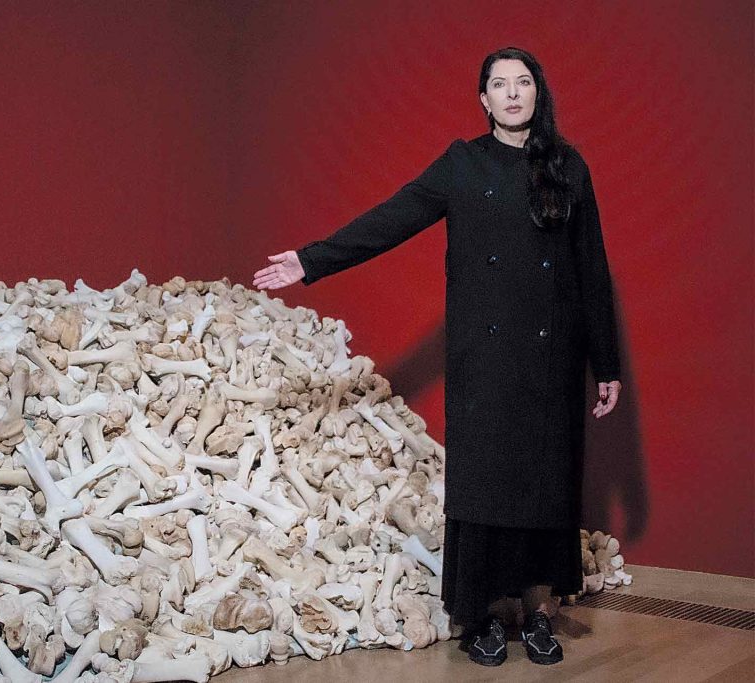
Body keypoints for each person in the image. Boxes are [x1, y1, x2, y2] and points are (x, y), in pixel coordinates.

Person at [252, 46, 623, 667]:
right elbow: (393, 218)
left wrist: (605, 362)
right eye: (499, 84)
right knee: (485, 490)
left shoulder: (567, 167)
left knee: (545, 488)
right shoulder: (462, 164)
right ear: (483, 100)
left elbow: (592, 267)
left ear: (538, 93)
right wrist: (311, 261)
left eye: (523, 82)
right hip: (484, 358)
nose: (512, 93)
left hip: (551, 359)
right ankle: (480, 617)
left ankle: (538, 614)